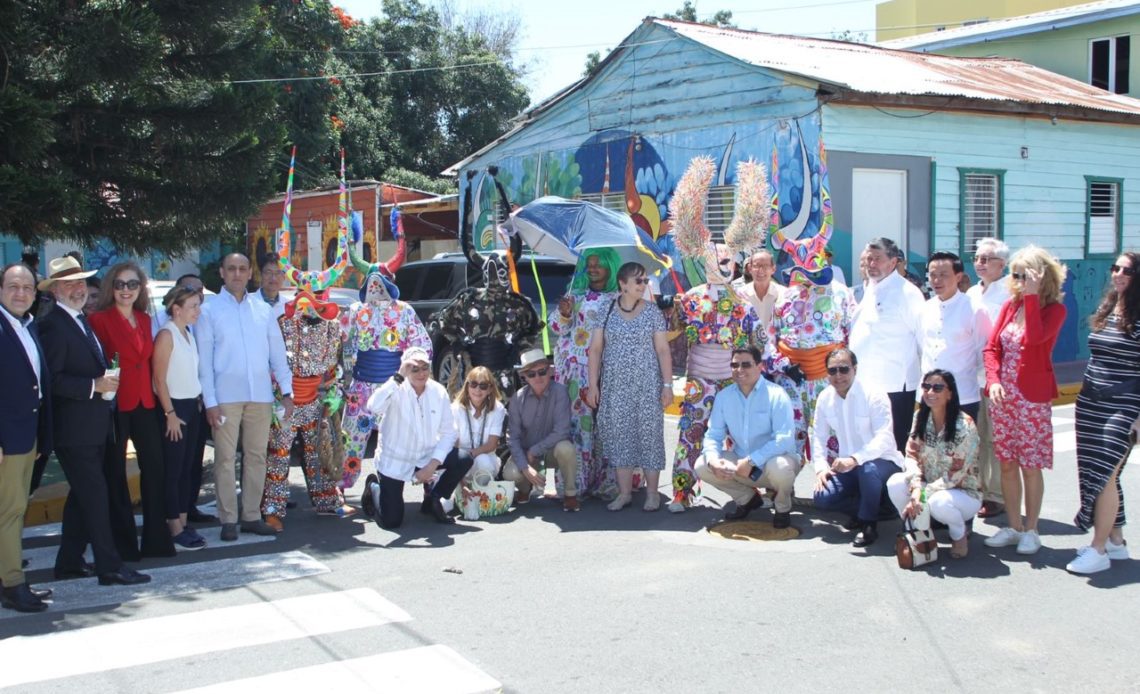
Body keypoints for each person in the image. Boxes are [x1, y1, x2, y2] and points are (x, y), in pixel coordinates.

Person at [37, 256, 150, 586]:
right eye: (68, 283)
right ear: (55, 289)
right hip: (75, 431)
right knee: (96, 498)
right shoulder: (54, 325)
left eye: (80, 282)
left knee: (82, 497)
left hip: (93, 425)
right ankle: (109, 566)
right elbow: (52, 380)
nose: (77, 288)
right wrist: (93, 386)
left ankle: (69, 562)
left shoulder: (77, 320)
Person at [197, 253, 293, 541]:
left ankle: (251, 516)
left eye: (242, 269)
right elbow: (204, 361)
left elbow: (277, 354)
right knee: (225, 459)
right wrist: (210, 402)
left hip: (260, 396)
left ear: (250, 273)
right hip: (225, 397)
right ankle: (228, 519)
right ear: (222, 273)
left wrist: (287, 392)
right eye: (231, 269)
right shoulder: (209, 310)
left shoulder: (263, 309)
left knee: (256, 457)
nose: (237, 274)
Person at [982, 245, 1067, 556]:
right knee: (1007, 464)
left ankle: (1031, 529)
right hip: (1003, 397)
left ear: (1041, 276)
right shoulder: (1009, 306)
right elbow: (991, 349)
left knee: (1030, 466)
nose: (1017, 281)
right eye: (1015, 275)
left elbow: (1034, 340)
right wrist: (992, 382)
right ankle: (1013, 526)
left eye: (1024, 275)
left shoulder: (1054, 310)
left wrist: (1031, 297)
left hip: (1031, 397)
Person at [89, 262, 176, 559]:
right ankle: (124, 545)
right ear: (111, 288)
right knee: (114, 474)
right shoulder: (98, 320)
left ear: (140, 288)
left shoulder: (145, 318)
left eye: (132, 284)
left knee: (154, 469)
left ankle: (156, 540)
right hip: (115, 406)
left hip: (145, 404)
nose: (126, 290)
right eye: (120, 284)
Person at [1067, 253, 1140, 574]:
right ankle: (1116, 542)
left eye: (1127, 270)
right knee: (1101, 473)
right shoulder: (1111, 307)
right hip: (1090, 402)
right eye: (1116, 268)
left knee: (1105, 472)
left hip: (1124, 405)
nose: (1119, 274)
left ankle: (1097, 550)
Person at [586, 262, 672, 512]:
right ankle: (624, 493)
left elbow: (663, 350)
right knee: (620, 436)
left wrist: (667, 385)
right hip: (615, 385)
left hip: (647, 383)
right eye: (638, 281)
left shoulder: (653, 312)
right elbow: (595, 349)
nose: (643, 285)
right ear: (623, 284)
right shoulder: (607, 309)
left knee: (650, 435)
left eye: (645, 280)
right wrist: (593, 385)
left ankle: (653, 494)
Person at [261, 289, 346, 530]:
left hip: (315, 400)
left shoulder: (333, 327)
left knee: (319, 451)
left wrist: (333, 397)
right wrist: (277, 399)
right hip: (286, 401)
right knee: (278, 456)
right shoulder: (283, 324)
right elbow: (272, 363)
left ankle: (327, 500)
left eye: (318, 298)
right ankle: (272, 509)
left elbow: (335, 369)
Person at [361, 347, 468, 528]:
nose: (420, 373)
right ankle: (374, 487)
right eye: (414, 368)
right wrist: (398, 376)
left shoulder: (438, 391)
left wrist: (431, 466)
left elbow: (450, 433)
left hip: (425, 456)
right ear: (405, 369)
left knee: (464, 458)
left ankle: (433, 498)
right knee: (391, 521)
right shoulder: (395, 387)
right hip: (396, 460)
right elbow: (373, 406)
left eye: (424, 367)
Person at [695, 345, 800, 527]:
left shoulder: (776, 394)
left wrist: (751, 461)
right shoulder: (725, 396)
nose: (740, 370)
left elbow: (784, 439)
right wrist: (713, 459)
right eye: (735, 365)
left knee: (780, 468)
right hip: (741, 462)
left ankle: (782, 508)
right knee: (702, 465)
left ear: (759, 366)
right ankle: (747, 499)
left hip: (772, 462)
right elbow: (713, 434)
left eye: (746, 365)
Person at [0, 264, 55, 611]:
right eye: (13, 286)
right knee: (10, 511)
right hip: (8, 439)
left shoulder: (27, 326)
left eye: (27, 288)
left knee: (14, 510)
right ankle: (13, 584)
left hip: (26, 435)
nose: (20, 293)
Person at [811, 348, 904, 547]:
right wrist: (820, 468)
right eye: (832, 370)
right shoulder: (825, 397)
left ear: (855, 369)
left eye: (844, 369)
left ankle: (868, 524)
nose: (838, 376)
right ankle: (877, 508)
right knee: (822, 497)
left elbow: (885, 438)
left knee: (868, 469)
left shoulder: (874, 394)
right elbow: (818, 436)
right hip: (848, 466)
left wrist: (855, 459)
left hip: (883, 463)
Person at [887, 369, 981, 559]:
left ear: (950, 394)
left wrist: (921, 493)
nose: (930, 392)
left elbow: (956, 473)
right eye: (926, 387)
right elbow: (911, 455)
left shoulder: (965, 425)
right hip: (926, 484)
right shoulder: (920, 417)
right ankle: (918, 533)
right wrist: (915, 487)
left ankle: (958, 534)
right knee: (895, 483)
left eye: (937, 388)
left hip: (962, 491)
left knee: (939, 503)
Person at [550, 247, 620, 499]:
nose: (592, 268)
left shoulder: (619, 297)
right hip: (574, 372)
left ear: (610, 267)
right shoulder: (575, 294)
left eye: (598, 264)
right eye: (589, 264)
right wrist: (565, 312)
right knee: (578, 428)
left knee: (605, 428)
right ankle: (574, 484)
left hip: (606, 371)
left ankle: (607, 483)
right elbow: (557, 328)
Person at [849, 237, 925, 451]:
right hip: (864, 385)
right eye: (868, 259)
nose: (871, 264)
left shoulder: (908, 293)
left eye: (878, 259)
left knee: (894, 447)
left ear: (893, 262)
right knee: (866, 444)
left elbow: (923, 341)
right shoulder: (867, 289)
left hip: (895, 386)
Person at [151, 285, 207, 550]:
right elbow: (158, 380)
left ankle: (183, 522)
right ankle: (173, 525)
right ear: (176, 309)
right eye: (193, 306)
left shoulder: (187, 333)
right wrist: (170, 414)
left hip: (192, 407)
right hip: (175, 409)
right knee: (173, 471)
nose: (198, 311)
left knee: (187, 468)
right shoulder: (166, 335)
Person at [966, 238, 1012, 519]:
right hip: (972, 376)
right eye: (978, 258)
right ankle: (979, 488)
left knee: (995, 438)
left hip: (998, 378)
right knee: (977, 437)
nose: (980, 263)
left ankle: (996, 494)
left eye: (987, 259)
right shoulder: (971, 293)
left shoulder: (1009, 294)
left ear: (1002, 264)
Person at [919, 252, 990, 421]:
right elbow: (921, 347)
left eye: (943, 275)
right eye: (933, 275)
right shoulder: (925, 309)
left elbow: (983, 352)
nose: (936, 280)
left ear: (958, 277)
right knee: (929, 446)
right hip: (928, 396)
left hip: (962, 394)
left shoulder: (975, 309)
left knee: (960, 447)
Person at [504, 348, 578, 511]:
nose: (537, 377)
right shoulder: (517, 399)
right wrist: (525, 466)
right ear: (524, 377)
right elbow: (512, 437)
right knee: (511, 473)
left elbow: (562, 430)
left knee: (566, 448)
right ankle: (525, 489)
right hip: (527, 451)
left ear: (550, 371)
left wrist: (535, 450)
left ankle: (570, 494)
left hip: (552, 450)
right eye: (531, 374)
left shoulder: (560, 392)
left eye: (542, 371)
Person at [452, 366, 505, 486]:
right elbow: (453, 446)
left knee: (484, 461)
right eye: (473, 384)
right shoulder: (455, 409)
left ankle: (481, 494)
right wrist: (458, 476)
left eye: (483, 386)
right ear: (467, 386)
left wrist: (471, 455)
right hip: (458, 462)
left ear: (490, 389)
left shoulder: (498, 409)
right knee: (447, 504)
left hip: (484, 459)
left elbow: (492, 444)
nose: (477, 390)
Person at [732, 249, 783, 331]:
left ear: (773, 269)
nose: (761, 270)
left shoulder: (784, 294)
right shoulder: (739, 294)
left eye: (766, 266)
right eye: (756, 266)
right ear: (750, 268)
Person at [253, 253, 287, 321]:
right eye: (268, 272)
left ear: (284, 276)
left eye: (278, 272)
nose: (273, 278)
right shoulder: (248, 303)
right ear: (260, 275)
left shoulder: (289, 305)